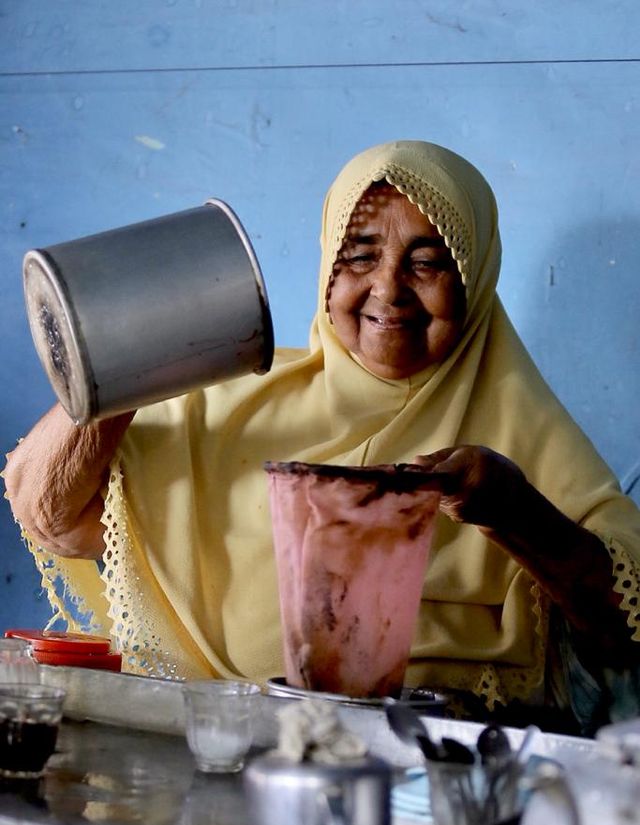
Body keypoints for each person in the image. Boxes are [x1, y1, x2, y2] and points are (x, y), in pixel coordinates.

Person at [4, 140, 640, 733]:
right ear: (327, 274)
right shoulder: (225, 401)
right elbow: (49, 515)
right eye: (360, 256)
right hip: (219, 749)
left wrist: (515, 512)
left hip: (431, 761)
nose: (388, 290)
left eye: (426, 263)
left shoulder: (524, 433)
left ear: (473, 279)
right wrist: (131, 358)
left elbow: (624, 632)